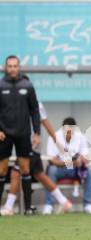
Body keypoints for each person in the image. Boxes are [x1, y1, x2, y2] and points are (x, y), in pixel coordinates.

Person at [0, 101, 72, 216]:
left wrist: (57, 141)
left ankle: (8, 207)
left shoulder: (35, 104)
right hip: (28, 146)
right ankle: (64, 202)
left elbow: (46, 122)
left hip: (31, 146)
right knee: (40, 176)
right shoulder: (13, 101)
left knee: (15, 173)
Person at [0, 55, 40, 215]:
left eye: (15, 66)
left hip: (23, 133)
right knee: (2, 170)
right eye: (9, 66)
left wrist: (37, 132)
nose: (12, 69)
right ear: (5, 67)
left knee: (25, 169)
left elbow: (34, 110)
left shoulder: (28, 85)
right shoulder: (0, 85)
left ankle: (28, 208)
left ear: (19, 67)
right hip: (4, 134)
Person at [43, 117, 91, 214]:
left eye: (71, 132)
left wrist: (81, 160)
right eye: (67, 131)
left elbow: (86, 156)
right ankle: (49, 205)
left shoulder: (81, 137)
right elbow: (51, 160)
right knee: (51, 170)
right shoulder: (54, 136)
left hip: (75, 169)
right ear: (62, 129)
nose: (69, 134)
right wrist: (68, 163)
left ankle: (88, 204)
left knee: (90, 170)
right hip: (60, 168)